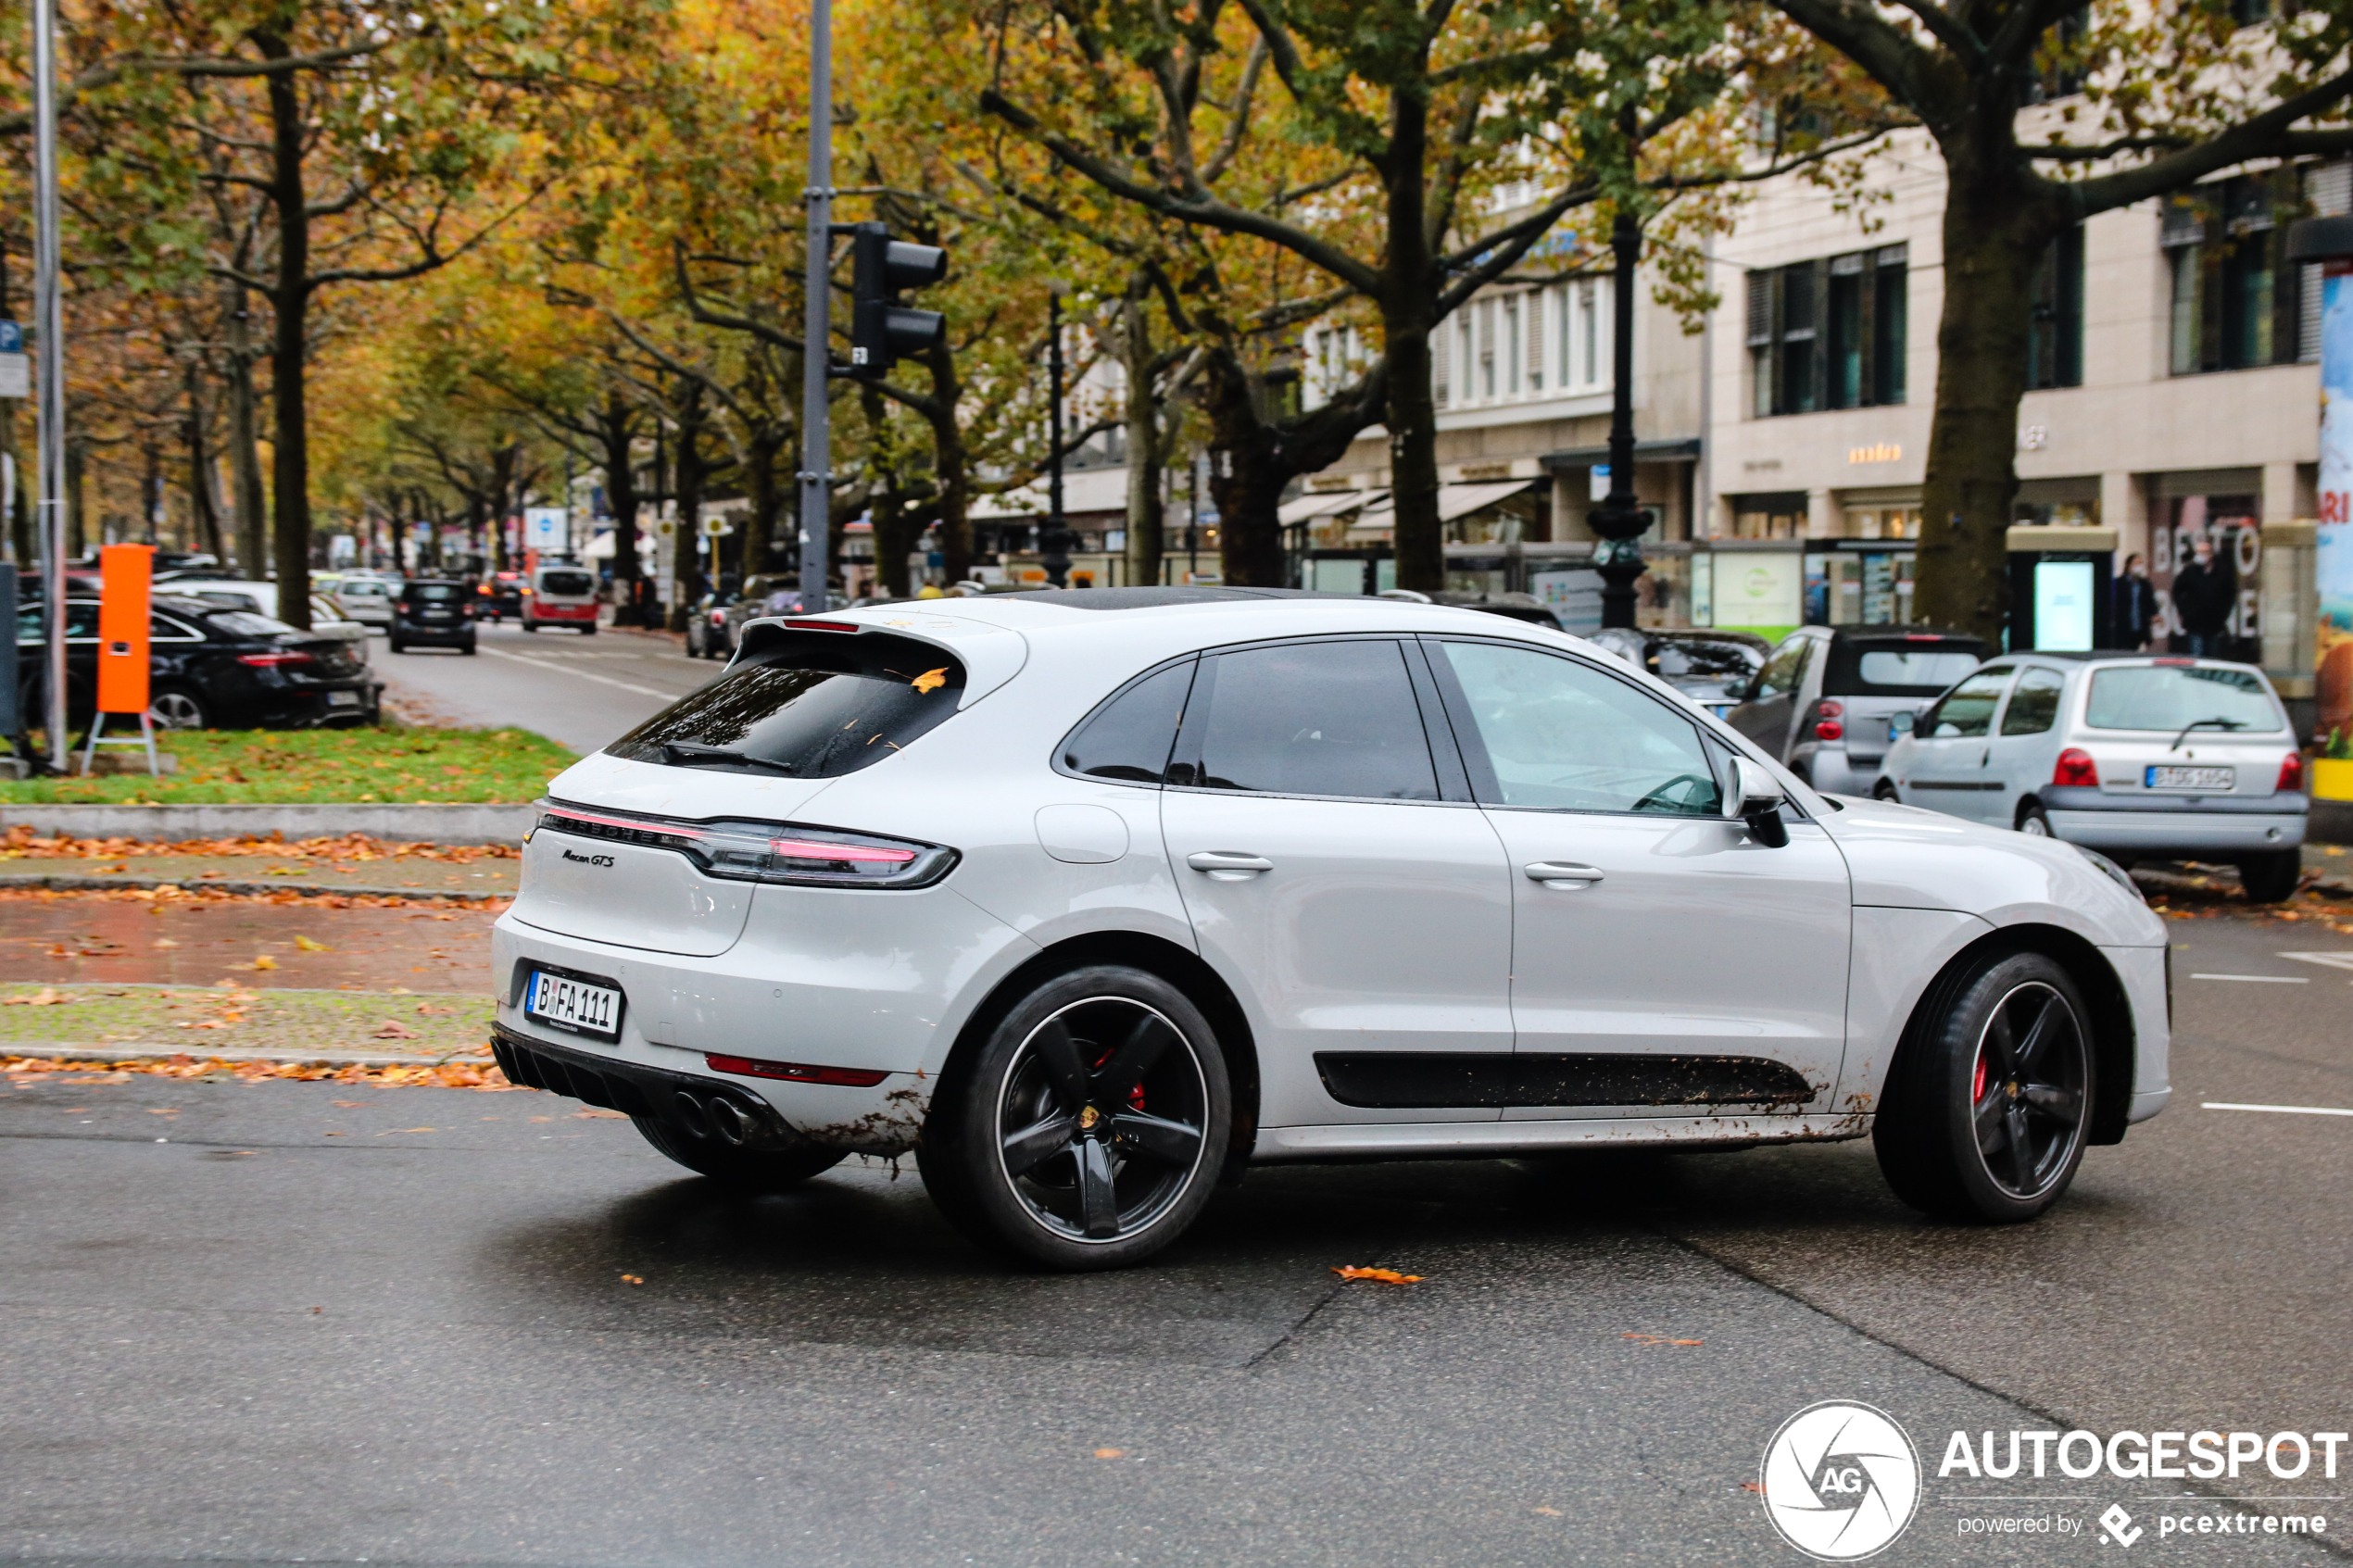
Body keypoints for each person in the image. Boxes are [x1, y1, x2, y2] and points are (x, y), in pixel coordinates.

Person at [2170, 533, 2236, 658]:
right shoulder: (2189, 571)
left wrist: (2223, 613)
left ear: (2210, 555)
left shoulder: (2221, 573)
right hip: (2194, 623)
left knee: (2213, 656)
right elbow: (2177, 591)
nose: (2199, 556)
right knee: (2197, 655)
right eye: (2198, 552)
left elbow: (2230, 594)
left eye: (2203, 552)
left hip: (2215, 624)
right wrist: (2184, 611)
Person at [2113, 553, 2158, 651]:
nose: (2139, 566)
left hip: (2139, 626)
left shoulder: (2144, 584)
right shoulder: (2119, 583)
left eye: (2141, 564)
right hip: (2123, 627)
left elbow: (2150, 601)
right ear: (2129, 565)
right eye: (2136, 564)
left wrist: (2155, 614)